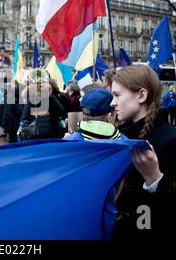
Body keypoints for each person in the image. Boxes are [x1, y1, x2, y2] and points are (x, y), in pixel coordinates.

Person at [110, 65, 176, 241]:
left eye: (117, 95)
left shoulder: (175, 143)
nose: (112, 103)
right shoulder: (125, 136)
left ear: (141, 95)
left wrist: (155, 179)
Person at [63, 87, 125, 239]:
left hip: (76, 216)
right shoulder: (125, 142)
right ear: (110, 115)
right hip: (109, 216)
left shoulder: (68, 142)